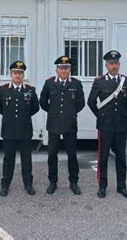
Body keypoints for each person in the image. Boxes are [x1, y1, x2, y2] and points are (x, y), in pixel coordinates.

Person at [87, 50, 127, 199]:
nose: (114, 66)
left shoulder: (126, 81)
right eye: (111, 64)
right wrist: (101, 116)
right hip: (105, 125)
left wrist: (119, 114)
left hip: (121, 125)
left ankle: (122, 186)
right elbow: (91, 102)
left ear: (119, 64)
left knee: (121, 157)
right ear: (106, 65)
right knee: (103, 157)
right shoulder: (99, 81)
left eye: (116, 63)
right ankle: (102, 186)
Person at [40, 55, 85, 195]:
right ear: (57, 69)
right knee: (52, 154)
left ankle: (74, 181)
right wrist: (54, 113)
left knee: (72, 154)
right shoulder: (49, 83)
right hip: (53, 124)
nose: (64, 70)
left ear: (70, 69)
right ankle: (53, 181)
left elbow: (80, 103)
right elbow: (43, 102)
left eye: (66, 68)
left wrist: (69, 113)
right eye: (61, 68)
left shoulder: (76, 84)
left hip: (70, 124)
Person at [0, 61, 40, 197]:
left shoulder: (30, 90)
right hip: (8, 130)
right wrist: (9, 116)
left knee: (26, 159)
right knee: (8, 159)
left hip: (25, 130)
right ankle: (5, 185)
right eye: (15, 73)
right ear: (11, 74)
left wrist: (22, 117)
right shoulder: (3, 89)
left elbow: (35, 108)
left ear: (23, 75)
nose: (17, 75)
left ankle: (28, 185)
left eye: (20, 73)